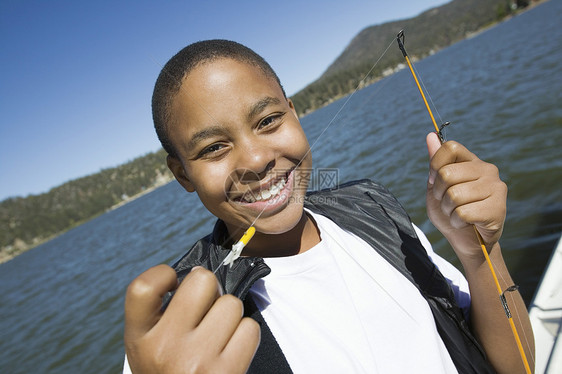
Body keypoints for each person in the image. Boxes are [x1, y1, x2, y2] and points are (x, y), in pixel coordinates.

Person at [123, 40, 534, 374]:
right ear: (182, 175)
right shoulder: (171, 333)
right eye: (214, 148)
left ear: (294, 114)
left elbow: (516, 366)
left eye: (267, 121)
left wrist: (480, 253)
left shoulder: (374, 208)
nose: (255, 160)